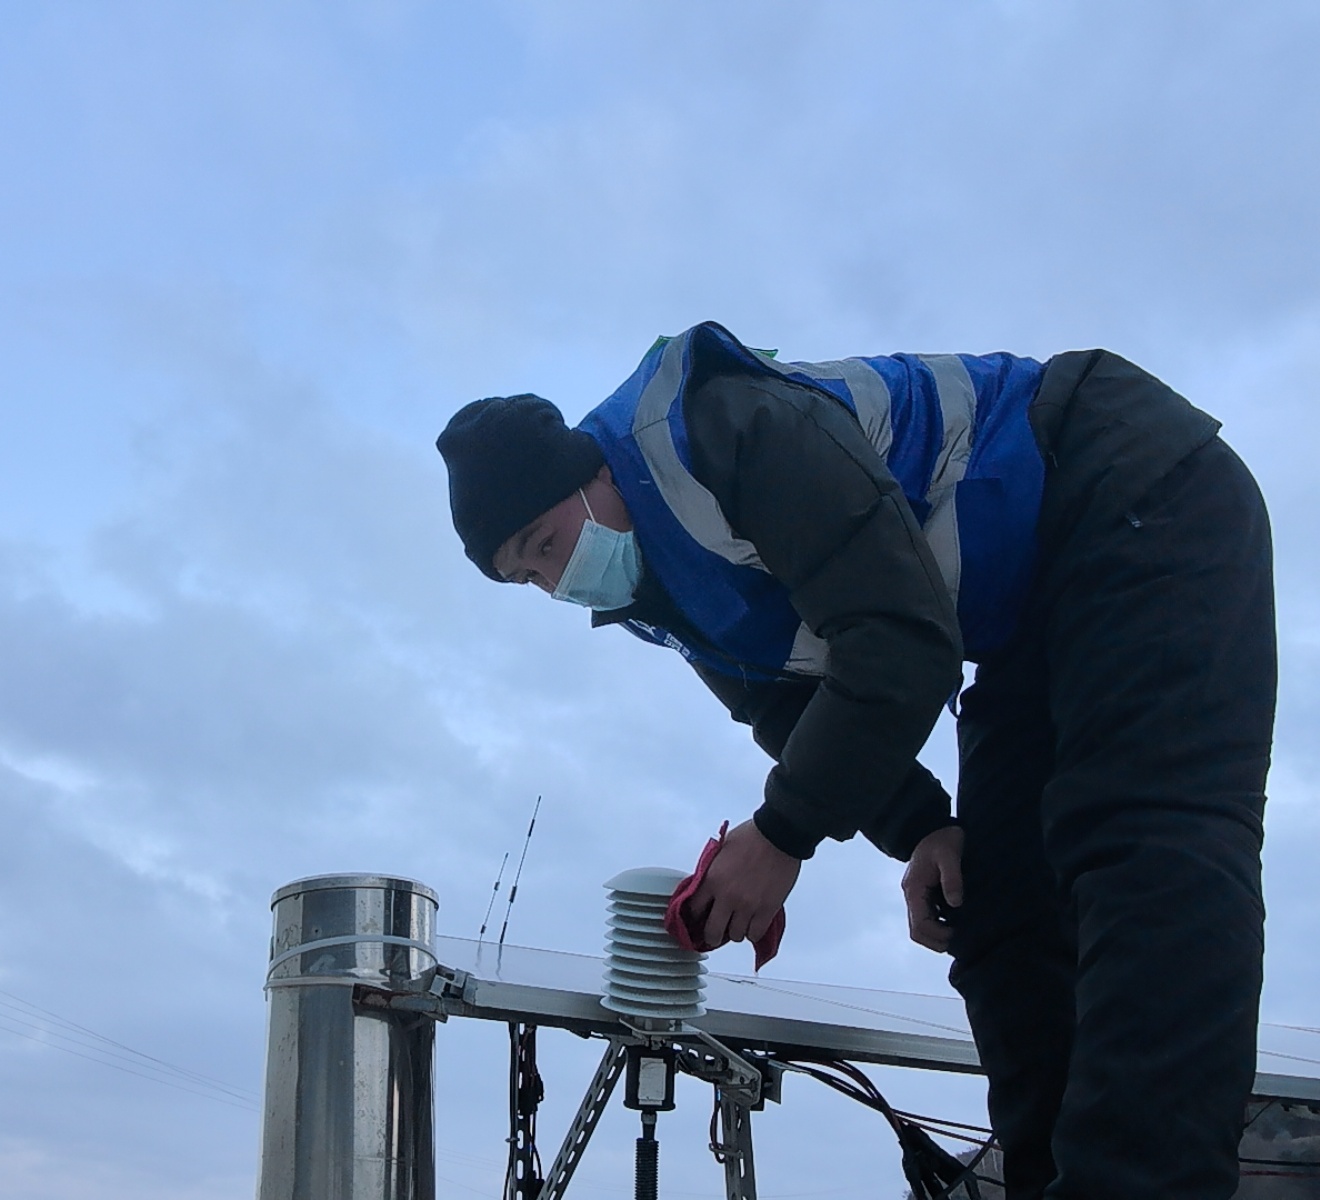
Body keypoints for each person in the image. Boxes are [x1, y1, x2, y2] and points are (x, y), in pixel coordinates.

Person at [436, 322, 1275, 1200]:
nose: (556, 581)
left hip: (1123, 480)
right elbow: (782, 705)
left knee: (1144, 847)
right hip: (1023, 613)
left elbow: (901, 642)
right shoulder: (661, 588)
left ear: (595, 474)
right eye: (526, 577)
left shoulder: (725, 429)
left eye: (544, 543)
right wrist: (923, 826)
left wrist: (782, 833)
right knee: (996, 901)